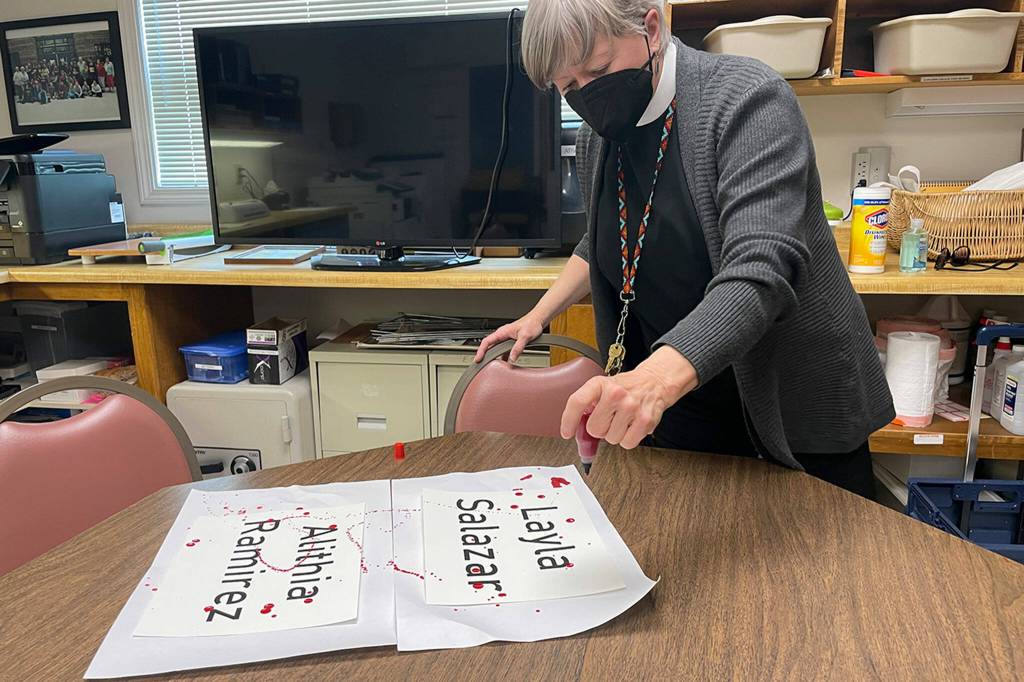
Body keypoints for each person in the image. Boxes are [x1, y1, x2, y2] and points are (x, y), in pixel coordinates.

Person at [475, 0, 894, 498]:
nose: (588, 95)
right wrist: (538, 316)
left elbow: (759, 269)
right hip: (679, 406)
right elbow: (607, 238)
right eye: (568, 88)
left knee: (813, 564)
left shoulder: (747, 99)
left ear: (651, 28)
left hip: (788, 403)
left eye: (599, 69)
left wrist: (652, 379)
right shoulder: (597, 140)